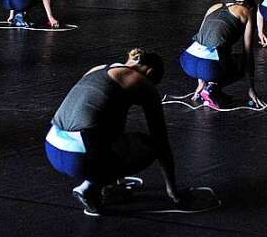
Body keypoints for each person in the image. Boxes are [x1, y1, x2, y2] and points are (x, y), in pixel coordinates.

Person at [45, 48, 179, 214]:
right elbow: (162, 142)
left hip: (52, 146)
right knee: (149, 146)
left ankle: (105, 186)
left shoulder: (97, 68)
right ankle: (89, 188)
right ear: (149, 73)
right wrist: (173, 191)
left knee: (113, 133)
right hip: (79, 158)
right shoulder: (141, 82)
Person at [179, 0, 260, 110]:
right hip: (208, 66)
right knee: (241, 62)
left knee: (222, 56)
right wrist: (251, 89)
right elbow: (248, 53)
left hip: (187, 61)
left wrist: (200, 83)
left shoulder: (214, 7)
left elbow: (202, 38)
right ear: (251, 8)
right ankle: (212, 89)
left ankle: (211, 90)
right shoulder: (247, 13)